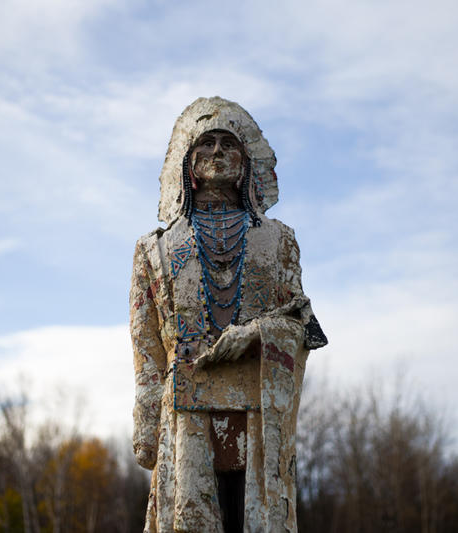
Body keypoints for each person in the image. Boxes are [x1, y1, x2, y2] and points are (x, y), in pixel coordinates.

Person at [130, 96, 327, 532]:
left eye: (228, 143)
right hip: (184, 416)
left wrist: (259, 332)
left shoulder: (278, 242)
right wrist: (146, 423)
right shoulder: (154, 249)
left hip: (257, 417)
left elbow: (303, 323)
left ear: (245, 161)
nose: (217, 152)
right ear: (187, 160)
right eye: (206, 143)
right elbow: (146, 347)